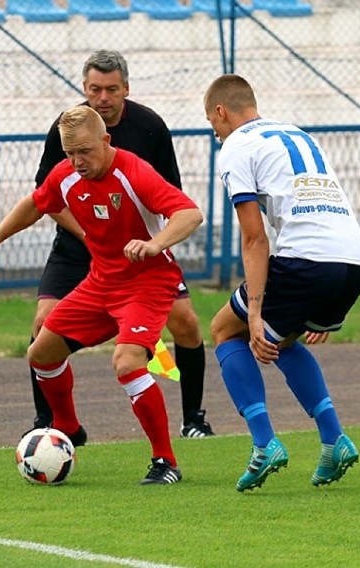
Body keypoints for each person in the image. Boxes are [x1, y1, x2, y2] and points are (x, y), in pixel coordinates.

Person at [0, 105, 202, 484]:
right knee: (40, 353)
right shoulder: (66, 175)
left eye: (85, 152)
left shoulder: (134, 172)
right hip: (101, 282)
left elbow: (190, 213)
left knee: (127, 363)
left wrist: (155, 244)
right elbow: (35, 204)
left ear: (106, 141)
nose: (76, 161)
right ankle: (69, 430)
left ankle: (165, 461)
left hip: (148, 284)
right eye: (69, 153)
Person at [28, 50, 214, 440]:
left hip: (138, 251)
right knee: (44, 324)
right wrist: (88, 232)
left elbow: (176, 202)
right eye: (95, 89)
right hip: (77, 246)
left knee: (186, 323)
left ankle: (193, 419)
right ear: (84, 89)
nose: (103, 97)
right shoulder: (69, 128)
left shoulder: (149, 128)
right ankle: (52, 425)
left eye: (112, 89)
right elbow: (43, 196)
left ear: (126, 88)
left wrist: (155, 243)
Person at [203, 74, 360, 492]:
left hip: (308, 260)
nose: (216, 133)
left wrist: (256, 312)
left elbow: (254, 237)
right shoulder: (296, 134)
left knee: (226, 329)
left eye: (213, 125)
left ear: (221, 113)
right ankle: (334, 440)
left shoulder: (237, 146)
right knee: (284, 342)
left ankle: (264, 444)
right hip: (354, 261)